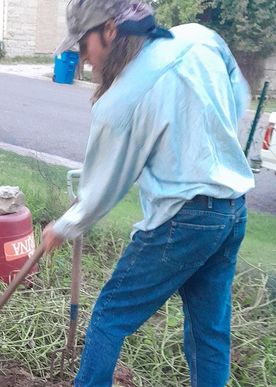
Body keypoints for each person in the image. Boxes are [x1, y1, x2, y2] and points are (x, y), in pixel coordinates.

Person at [42, 1, 254, 386]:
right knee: (209, 334)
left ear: (109, 31)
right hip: (232, 211)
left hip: (184, 221)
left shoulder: (123, 98)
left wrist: (63, 227)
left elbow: (102, 188)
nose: (85, 60)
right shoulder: (199, 39)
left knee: (110, 314)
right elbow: (240, 96)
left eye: (84, 45)